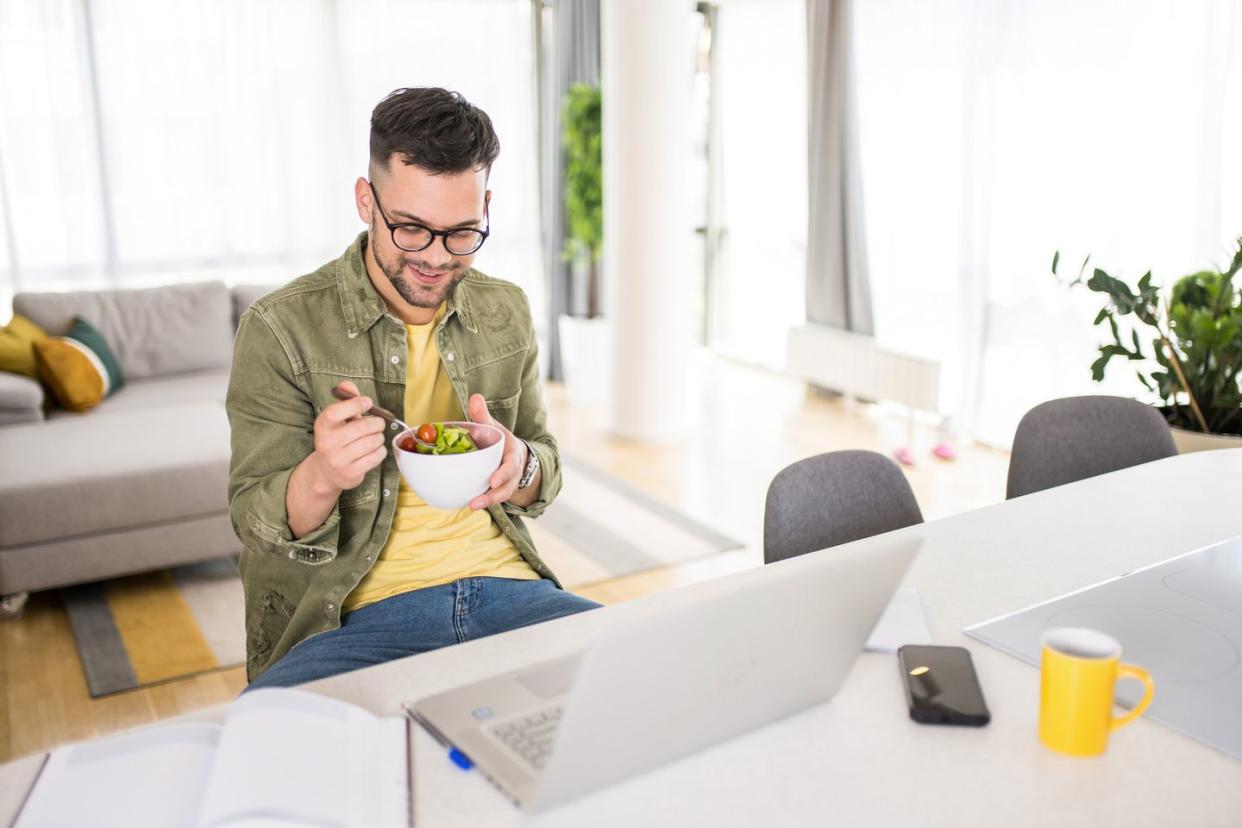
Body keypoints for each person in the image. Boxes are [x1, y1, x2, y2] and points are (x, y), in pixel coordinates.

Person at [227, 87, 599, 690]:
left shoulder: (506, 310)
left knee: (648, 681)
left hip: (511, 593)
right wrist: (323, 475)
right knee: (270, 745)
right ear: (365, 201)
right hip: (352, 619)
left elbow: (543, 470)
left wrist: (519, 464)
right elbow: (253, 520)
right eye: (410, 229)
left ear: (486, 208)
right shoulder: (279, 329)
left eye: (462, 233)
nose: (435, 258)